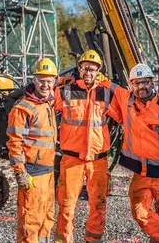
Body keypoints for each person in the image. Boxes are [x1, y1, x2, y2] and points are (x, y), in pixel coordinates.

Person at [102, 63, 159, 243]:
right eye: (137, 83)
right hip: (141, 173)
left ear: (153, 83)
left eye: (145, 82)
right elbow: (109, 85)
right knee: (140, 212)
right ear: (131, 85)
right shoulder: (126, 100)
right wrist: (78, 77)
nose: (141, 87)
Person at [54, 49, 116, 243]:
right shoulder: (65, 91)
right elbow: (43, 100)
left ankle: (93, 240)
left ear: (98, 71)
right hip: (71, 159)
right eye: (85, 68)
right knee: (66, 205)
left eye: (93, 69)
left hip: (98, 161)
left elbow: (124, 115)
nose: (88, 72)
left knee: (98, 205)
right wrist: (58, 82)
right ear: (79, 69)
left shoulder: (106, 93)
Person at [6, 57, 58, 243]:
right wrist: (20, 172)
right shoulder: (23, 108)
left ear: (54, 82)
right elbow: (14, 143)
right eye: (41, 80)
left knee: (47, 217)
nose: (45, 84)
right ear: (34, 80)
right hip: (33, 173)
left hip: (48, 171)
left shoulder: (47, 103)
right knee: (31, 220)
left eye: (49, 81)